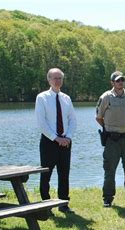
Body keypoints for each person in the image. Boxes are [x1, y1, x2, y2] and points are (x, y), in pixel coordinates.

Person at [96, 71, 125, 207]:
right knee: (110, 170)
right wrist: (110, 128)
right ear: (112, 83)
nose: (120, 82)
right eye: (117, 80)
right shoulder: (106, 97)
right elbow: (99, 117)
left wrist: (124, 126)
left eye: (122, 80)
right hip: (112, 140)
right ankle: (108, 198)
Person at [35, 68, 77, 213]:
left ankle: (63, 203)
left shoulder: (66, 98)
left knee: (64, 174)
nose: (58, 81)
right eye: (55, 78)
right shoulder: (42, 98)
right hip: (49, 142)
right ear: (49, 80)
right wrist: (56, 138)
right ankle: (46, 205)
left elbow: (72, 120)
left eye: (60, 78)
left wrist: (68, 137)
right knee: (46, 174)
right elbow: (41, 123)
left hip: (66, 142)